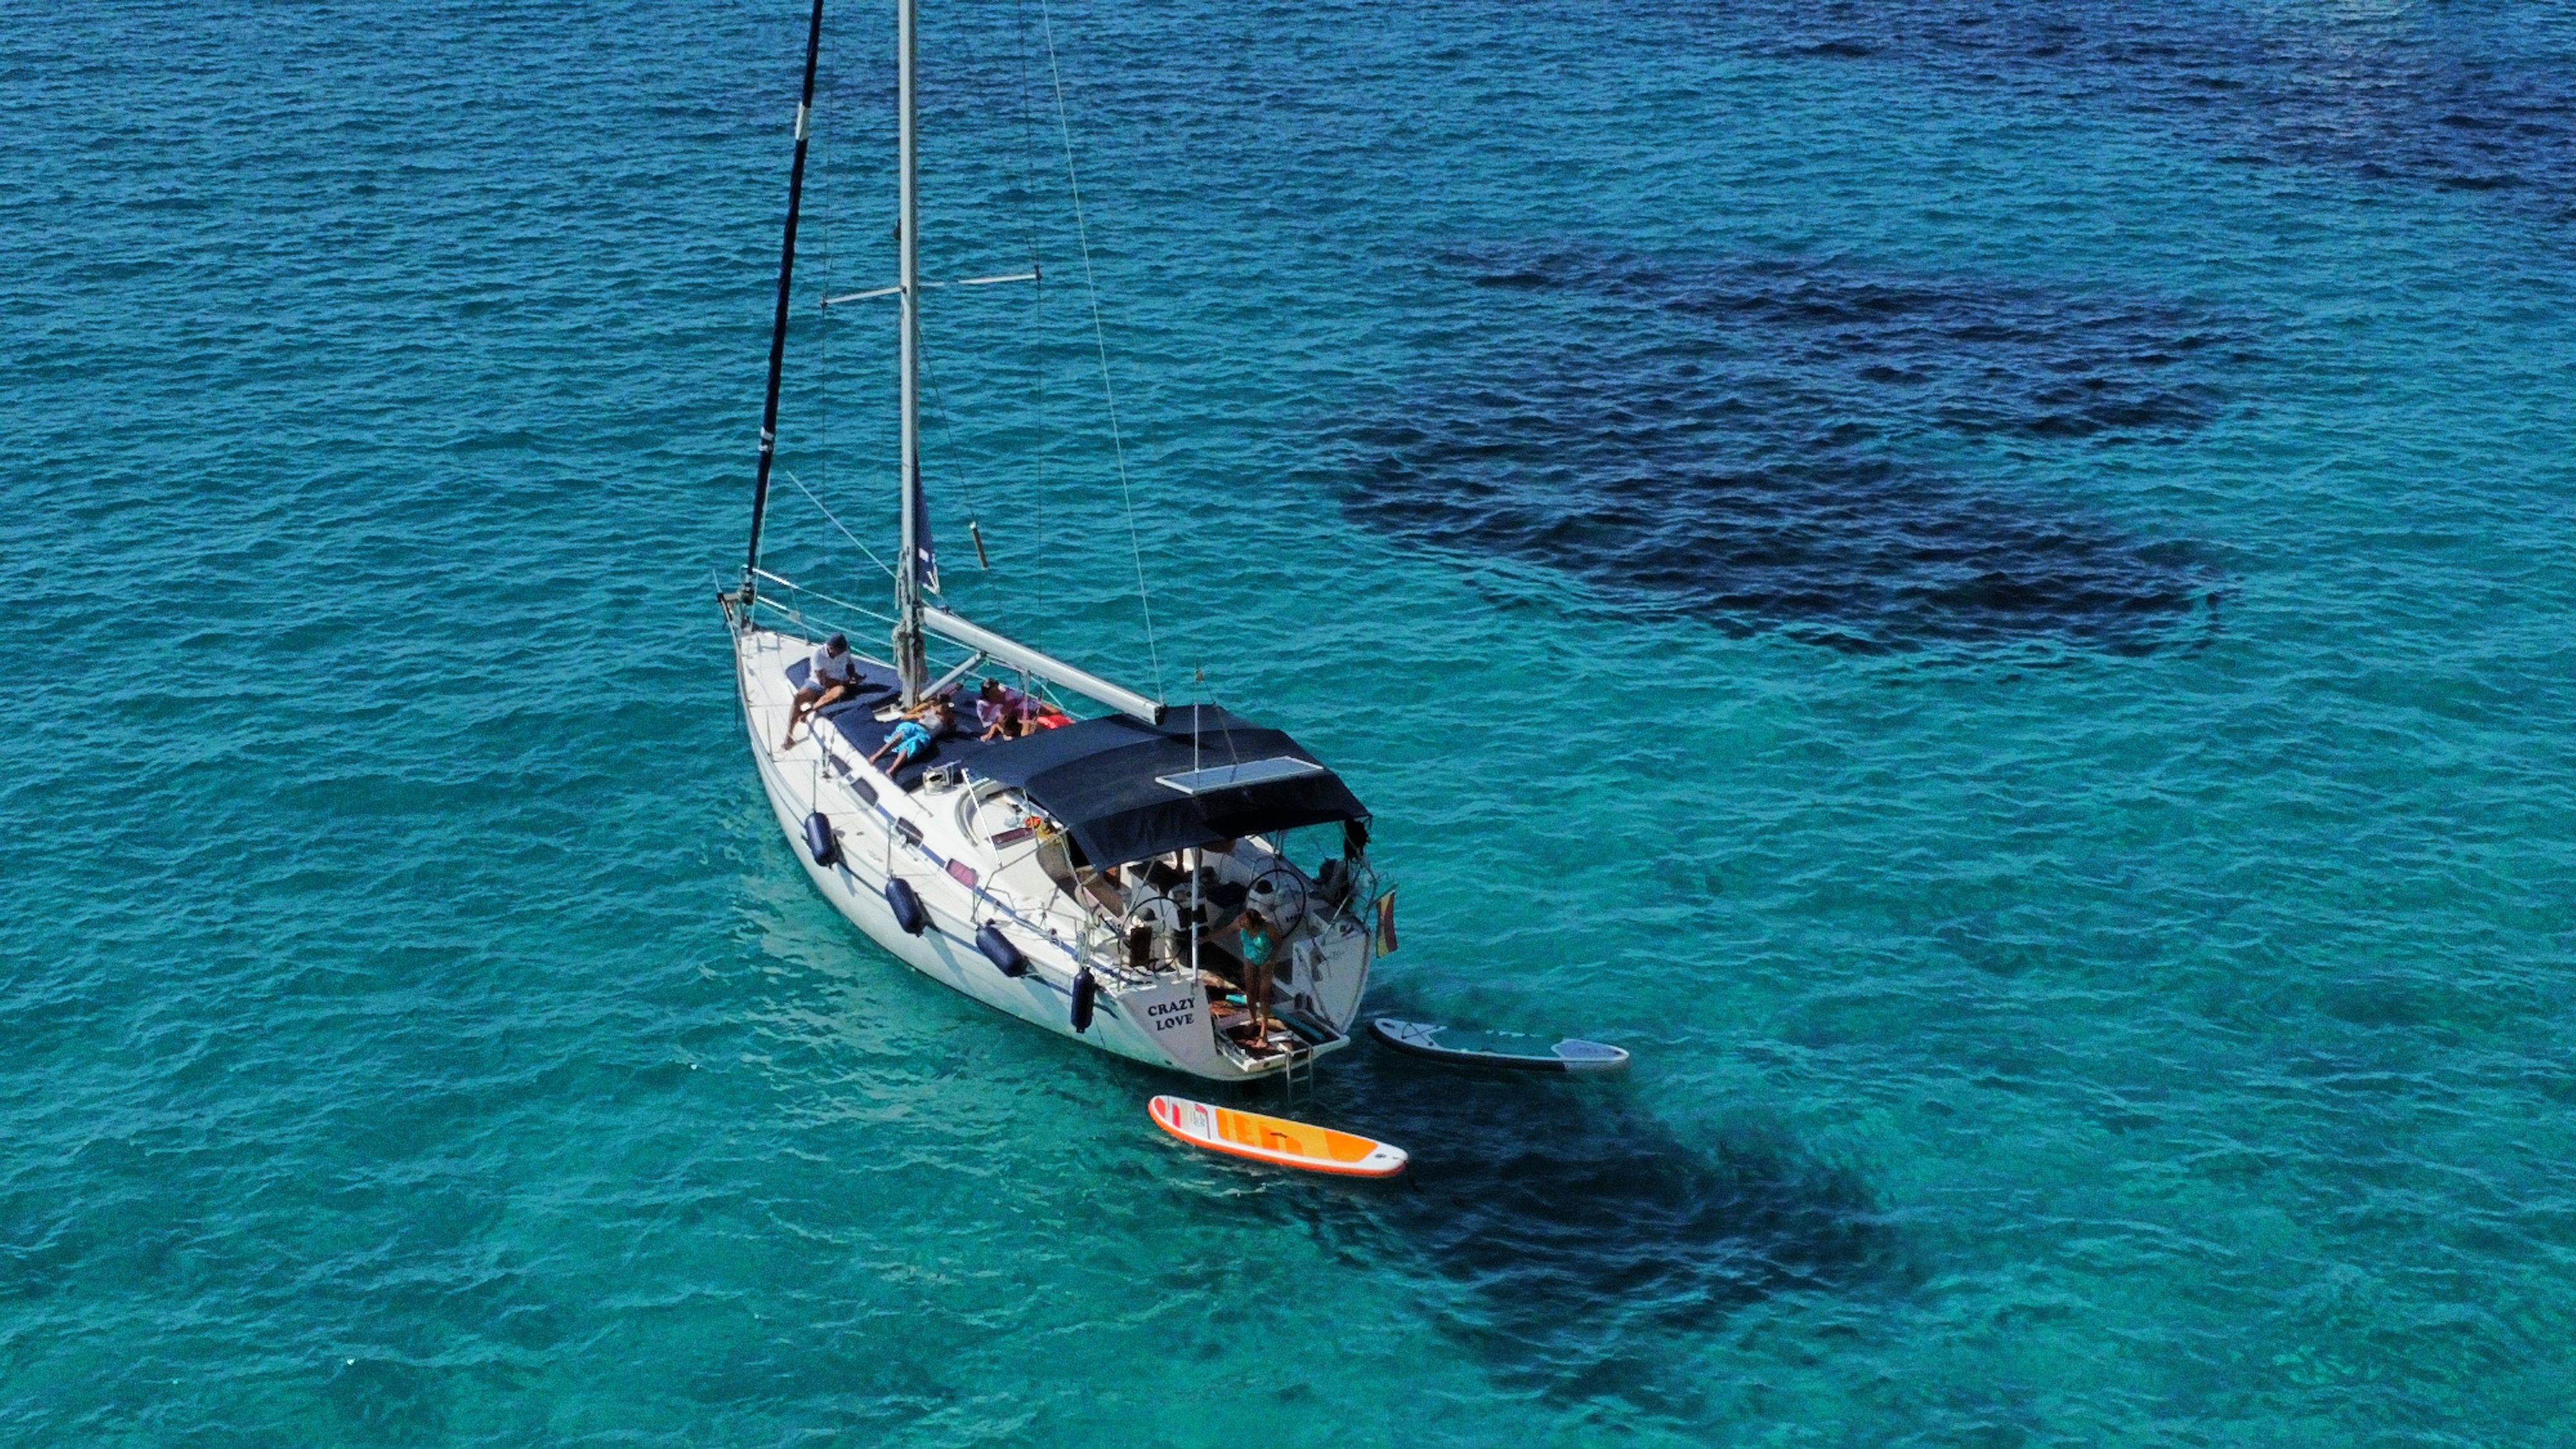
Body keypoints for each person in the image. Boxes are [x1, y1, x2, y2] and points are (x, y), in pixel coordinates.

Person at [782, 634, 863, 749]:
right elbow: (823, 681)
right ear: (831, 648)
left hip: (839, 684)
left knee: (840, 691)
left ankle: (809, 711)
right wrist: (843, 682)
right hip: (818, 684)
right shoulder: (818, 654)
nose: (843, 652)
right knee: (798, 698)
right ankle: (789, 735)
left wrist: (854, 677)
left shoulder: (845, 651)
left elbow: (850, 666)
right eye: (840, 650)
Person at [866, 696, 954, 769]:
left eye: (946, 707)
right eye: (941, 706)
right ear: (937, 704)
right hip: (916, 727)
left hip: (925, 734)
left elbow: (951, 729)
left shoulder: (948, 716)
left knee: (910, 746)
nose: (943, 709)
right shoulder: (927, 707)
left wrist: (945, 732)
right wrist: (916, 715)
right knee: (899, 736)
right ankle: (877, 755)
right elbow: (905, 717)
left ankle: (892, 770)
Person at [975, 677, 1032, 742]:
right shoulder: (985, 708)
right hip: (1009, 723)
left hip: (1019, 716)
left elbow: (1025, 704)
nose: (998, 694)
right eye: (993, 693)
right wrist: (990, 734)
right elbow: (995, 722)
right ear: (987, 695)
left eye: (997, 690)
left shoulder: (1009, 692)